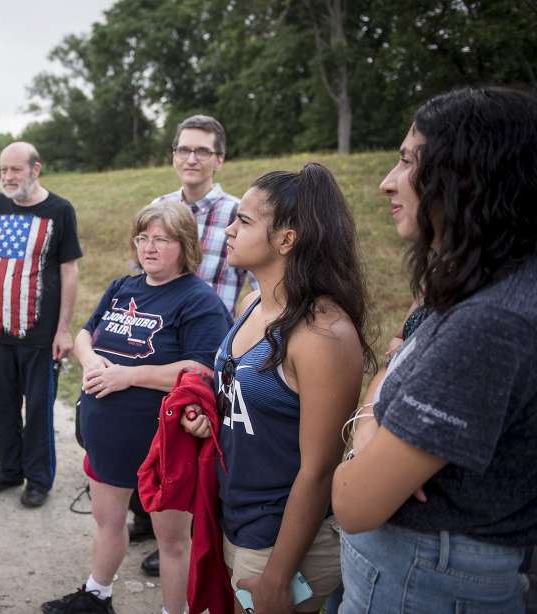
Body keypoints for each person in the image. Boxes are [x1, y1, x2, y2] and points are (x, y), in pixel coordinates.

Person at [332, 86, 537, 612]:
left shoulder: (490, 323)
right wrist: (383, 421)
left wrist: (370, 425)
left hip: (423, 579)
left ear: (466, 173)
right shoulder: (488, 286)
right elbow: (400, 354)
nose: (386, 183)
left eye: (406, 162)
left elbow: (354, 503)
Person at [181, 163, 373, 613]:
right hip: (235, 518)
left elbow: (319, 469)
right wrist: (212, 420)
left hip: (278, 543)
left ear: (287, 239)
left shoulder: (323, 334)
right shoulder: (250, 304)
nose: (229, 228)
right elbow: (253, 404)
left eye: (244, 221)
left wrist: (277, 576)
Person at [41, 200, 230, 614]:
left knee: (172, 541)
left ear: (185, 245)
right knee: (108, 521)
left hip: (163, 441)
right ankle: (97, 595)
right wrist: (91, 362)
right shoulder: (123, 286)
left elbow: (201, 369)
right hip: (108, 434)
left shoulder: (199, 300)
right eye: (143, 237)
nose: (149, 247)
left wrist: (128, 375)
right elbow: (85, 335)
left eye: (162, 239)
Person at [133, 114, 253, 575]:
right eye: (184, 149)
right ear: (174, 155)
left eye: (202, 150)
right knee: (156, 435)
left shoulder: (237, 213)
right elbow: (143, 274)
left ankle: (187, 540)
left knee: (198, 443)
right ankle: (151, 517)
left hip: (213, 349)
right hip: (161, 346)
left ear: (219, 159)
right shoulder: (158, 206)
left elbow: (252, 284)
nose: (191, 158)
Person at [0, 142, 81, 509]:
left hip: (41, 334)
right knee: (3, 404)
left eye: (16, 170)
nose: (8, 177)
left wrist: (64, 329)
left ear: (35, 169)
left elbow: (69, 271)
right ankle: (10, 469)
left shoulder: (60, 210)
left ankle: (39, 479)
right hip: (1, 328)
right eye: (3, 170)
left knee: (39, 409)